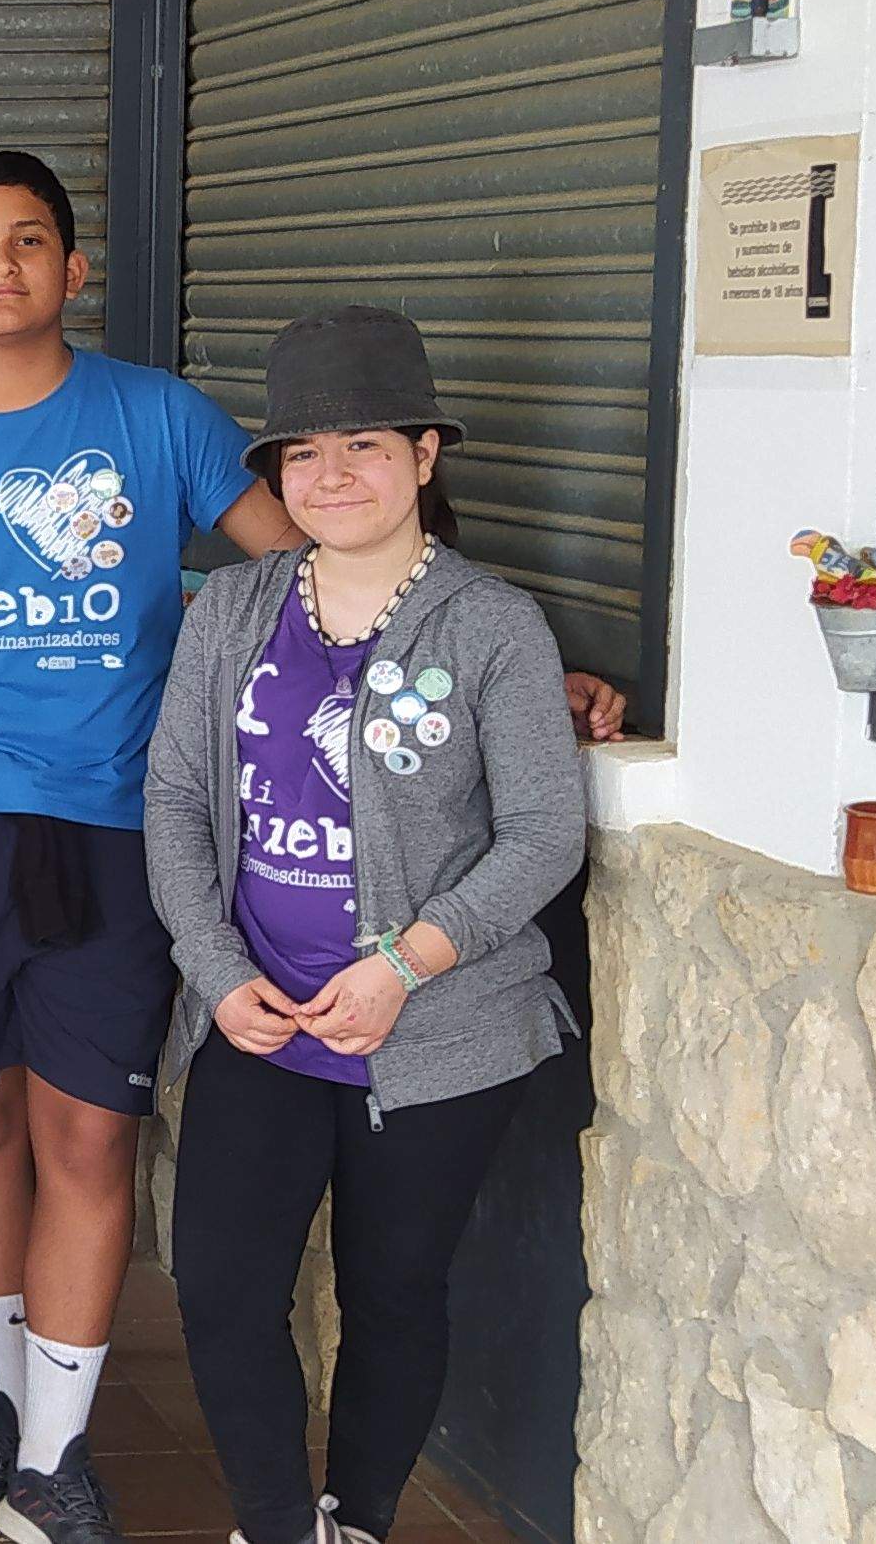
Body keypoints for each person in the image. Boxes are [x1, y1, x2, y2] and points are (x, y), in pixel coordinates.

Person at [0, 151, 303, 1544]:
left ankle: (57, 1452)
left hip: (117, 822)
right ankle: (11, 1407)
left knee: (87, 1130)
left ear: (73, 270)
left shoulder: (159, 419)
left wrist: (481, 646)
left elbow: (289, 567)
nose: (3, 266)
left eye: (31, 242)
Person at [143, 307, 583, 1544]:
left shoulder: (491, 624)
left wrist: (405, 960)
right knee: (225, 1293)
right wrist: (216, 972)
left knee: (394, 1292)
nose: (331, 475)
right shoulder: (230, 610)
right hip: (259, 1019)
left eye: (365, 445)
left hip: (437, 1032)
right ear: (277, 475)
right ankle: (280, 1525)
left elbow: (546, 832)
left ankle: (361, 1520)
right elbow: (174, 796)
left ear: (425, 456)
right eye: (303, 453)